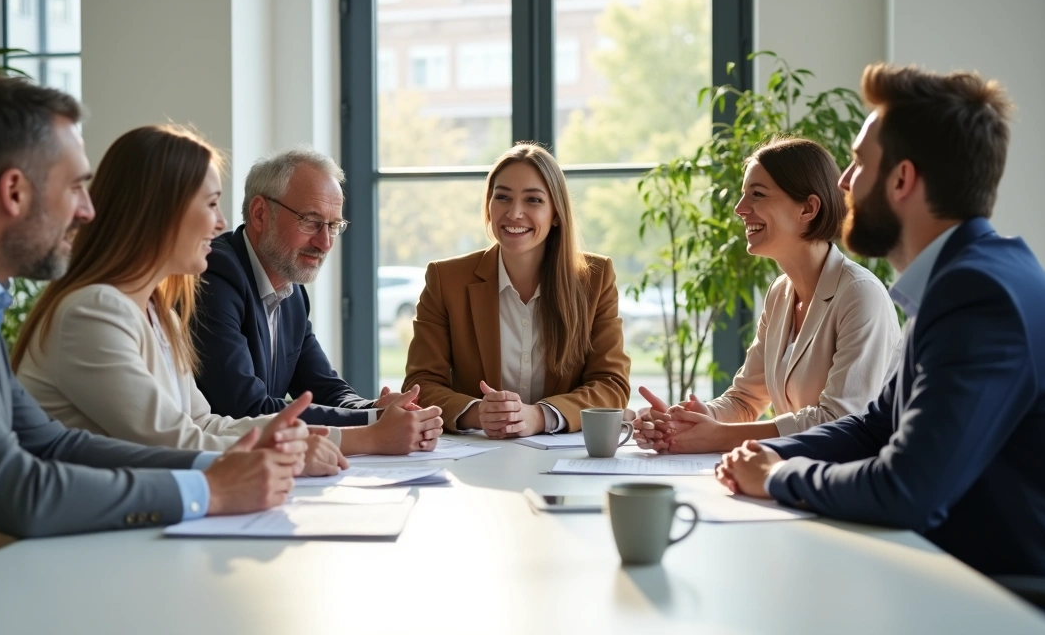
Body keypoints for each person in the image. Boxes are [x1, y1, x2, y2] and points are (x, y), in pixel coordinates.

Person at [0, 76, 309, 608]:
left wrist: (218, 467)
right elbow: (20, 489)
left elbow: (49, 442)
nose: (88, 210)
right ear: (14, 191)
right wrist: (213, 491)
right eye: (74, 188)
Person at [716, 64, 1045, 597]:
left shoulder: (980, 295)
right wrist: (772, 455)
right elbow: (873, 427)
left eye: (857, 164)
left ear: (902, 179)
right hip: (948, 575)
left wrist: (775, 477)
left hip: (1004, 600)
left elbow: (906, 487)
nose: (842, 183)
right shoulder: (963, 278)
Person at [13, 126, 345, 475]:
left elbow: (204, 424)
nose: (222, 223)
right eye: (212, 204)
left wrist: (304, 437)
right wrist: (289, 452)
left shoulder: (159, 314)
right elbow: (176, 443)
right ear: (160, 212)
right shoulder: (93, 313)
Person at [632, 137, 901, 453]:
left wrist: (717, 436)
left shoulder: (860, 294)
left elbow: (840, 420)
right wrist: (694, 419)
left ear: (808, 208)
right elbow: (745, 399)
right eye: (743, 194)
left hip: (848, 482)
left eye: (757, 195)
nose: (739, 209)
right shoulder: (781, 292)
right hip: (793, 472)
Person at [192, 148, 444, 456]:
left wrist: (377, 406)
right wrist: (373, 421)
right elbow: (246, 407)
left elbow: (324, 388)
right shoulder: (215, 273)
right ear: (260, 214)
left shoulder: (292, 291)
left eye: (334, 226)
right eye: (311, 222)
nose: (324, 243)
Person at [403, 142, 630, 437]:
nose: (514, 213)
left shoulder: (595, 279)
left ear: (557, 213)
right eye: (503, 197)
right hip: (477, 456)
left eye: (533, 200)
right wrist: (479, 413)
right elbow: (420, 384)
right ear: (488, 205)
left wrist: (538, 417)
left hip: (563, 459)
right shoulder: (446, 279)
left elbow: (611, 384)